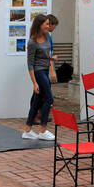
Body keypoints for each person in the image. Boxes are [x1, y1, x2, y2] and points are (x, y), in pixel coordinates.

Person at [22, 13, 56, 141]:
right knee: (49, 99)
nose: (49, 26)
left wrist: (52, 59)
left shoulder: (47, 36)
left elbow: (47, 54)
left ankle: (27, 130)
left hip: (45, 70)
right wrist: (34, 83)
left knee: (37, 101)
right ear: (39, 25)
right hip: (38, 72)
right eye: (46, 24)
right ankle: (43, 130)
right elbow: (30, 64)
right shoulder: (32, 42)